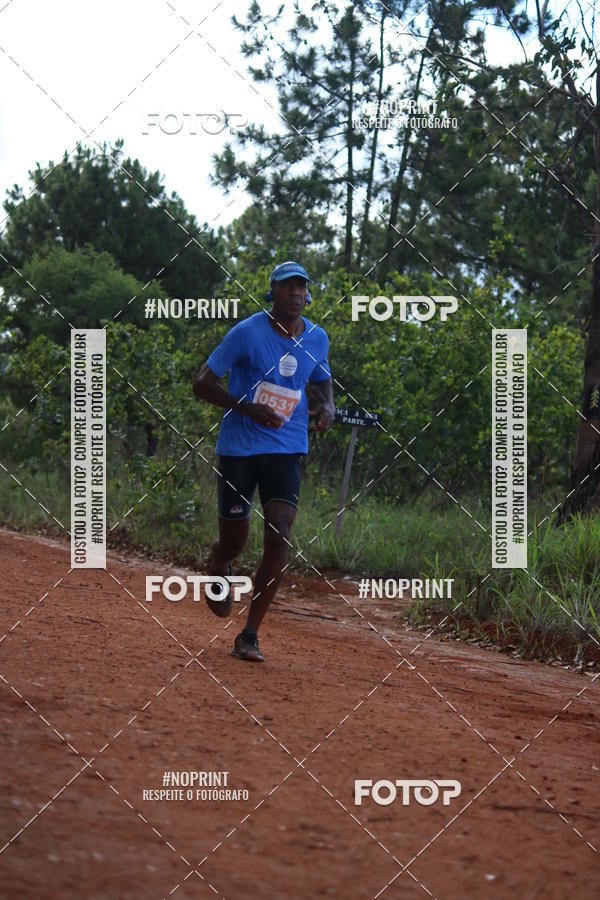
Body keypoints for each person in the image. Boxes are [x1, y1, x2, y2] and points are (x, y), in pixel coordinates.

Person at [193, 261, 334, 662]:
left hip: (287, 447)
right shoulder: (246, 333)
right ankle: (220, 563)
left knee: (280, 531)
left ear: (308, 295)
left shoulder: (318, 338)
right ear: (272, 293)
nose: (294, 294)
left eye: (301, 287)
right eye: (286, 287)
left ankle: (250, 634)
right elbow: (201, 384)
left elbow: (322, 381)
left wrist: (327, 408)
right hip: (240, 448)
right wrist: (247, 408)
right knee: (234, 540)